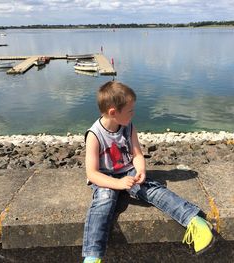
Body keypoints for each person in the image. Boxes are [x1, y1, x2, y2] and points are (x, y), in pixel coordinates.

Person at [82, 81, 214, 263]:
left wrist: (141, 170)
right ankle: (93, 256)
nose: (133, 114)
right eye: (130, 111)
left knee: (153, 190)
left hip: (128, 172)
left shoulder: (129, 127)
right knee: (103, 202)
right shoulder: (94, 135)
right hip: (105, 177)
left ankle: (194, 220)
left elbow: (137, 153)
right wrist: (117, 184)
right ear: (113, 112)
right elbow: (92, 174)